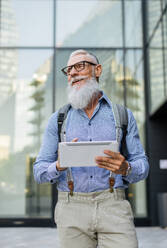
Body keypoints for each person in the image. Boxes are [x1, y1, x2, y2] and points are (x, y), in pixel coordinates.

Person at [33, 49, 149, 248]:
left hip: (114, 206)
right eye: (68, 70)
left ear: (98, 70)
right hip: (71, 208)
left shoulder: (122, 115)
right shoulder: (58, 120)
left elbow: (143, 165)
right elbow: (39, 171)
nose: (72, 73)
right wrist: (59, 165)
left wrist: (126, 168)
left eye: (80, 66)